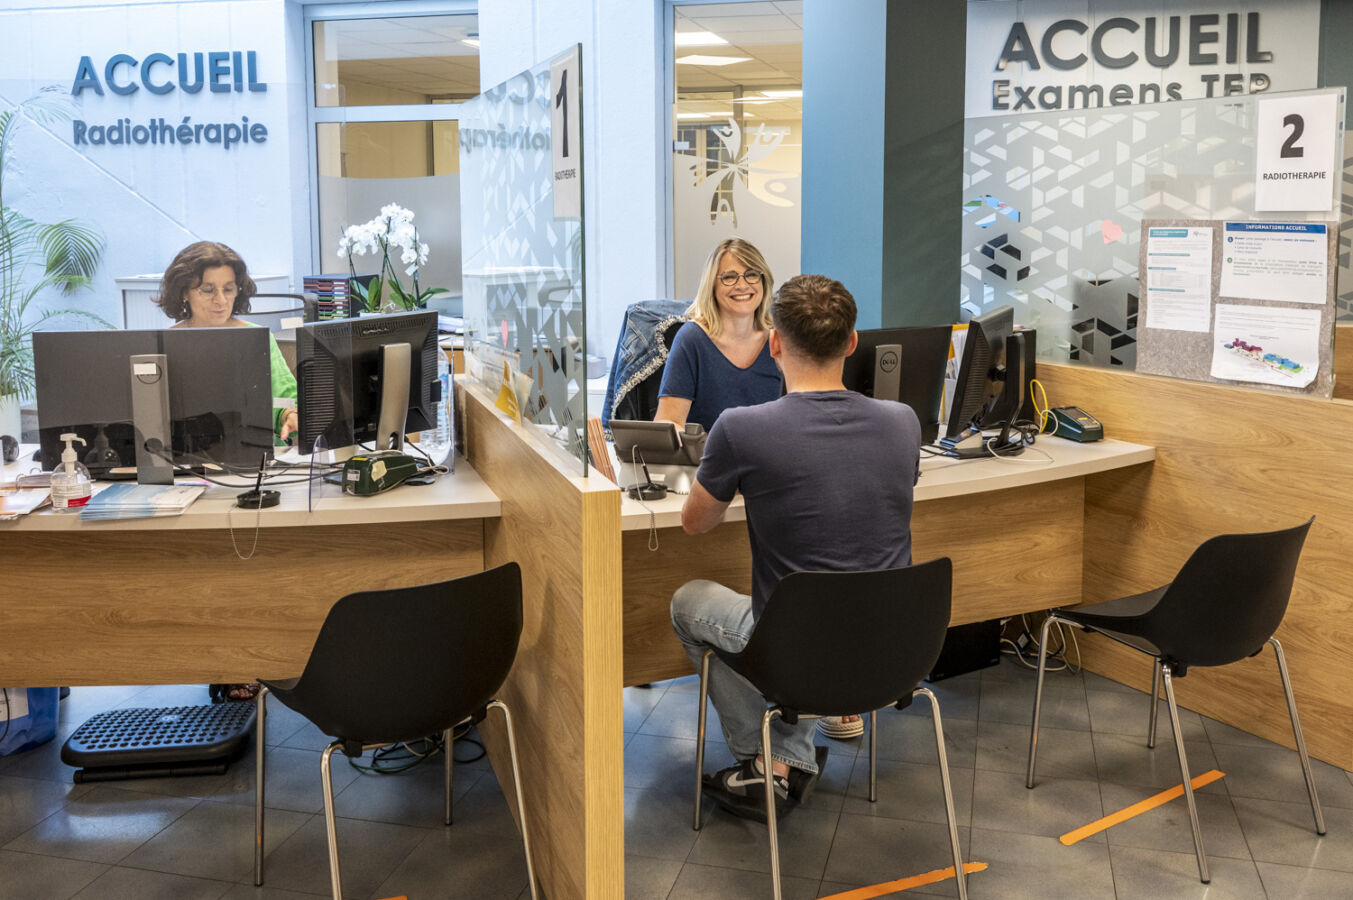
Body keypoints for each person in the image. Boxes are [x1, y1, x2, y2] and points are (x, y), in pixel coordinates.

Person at [670, 273, 922, 821]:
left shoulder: (740, 429)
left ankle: (768, 765)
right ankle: (788, 755)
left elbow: (695, 524)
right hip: (895, 650)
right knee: (820, 602)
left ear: (776, 343)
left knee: (688, 601)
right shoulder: (904, 422)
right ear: (853, 343)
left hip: (800, 652)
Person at [156, 241, 298, 702]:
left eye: (229, 289)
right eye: (207, 290)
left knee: (250, 562)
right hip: (186, 470)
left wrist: (292, 416)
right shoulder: (165, 344)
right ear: (185, 293)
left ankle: (249, 659)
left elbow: (286, 402)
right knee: (201, 569)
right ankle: (218, 657)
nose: (220, 300)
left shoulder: (255, 337)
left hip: (250, 466)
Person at [654, 238, 782, 432]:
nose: (742, 286)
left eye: (752, 275)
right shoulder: (692, 340)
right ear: (711, 286)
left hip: (770, 457)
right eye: (729, 277)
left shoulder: (780, 339)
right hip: (708, 459)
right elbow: (669, 423)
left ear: (764, 281)